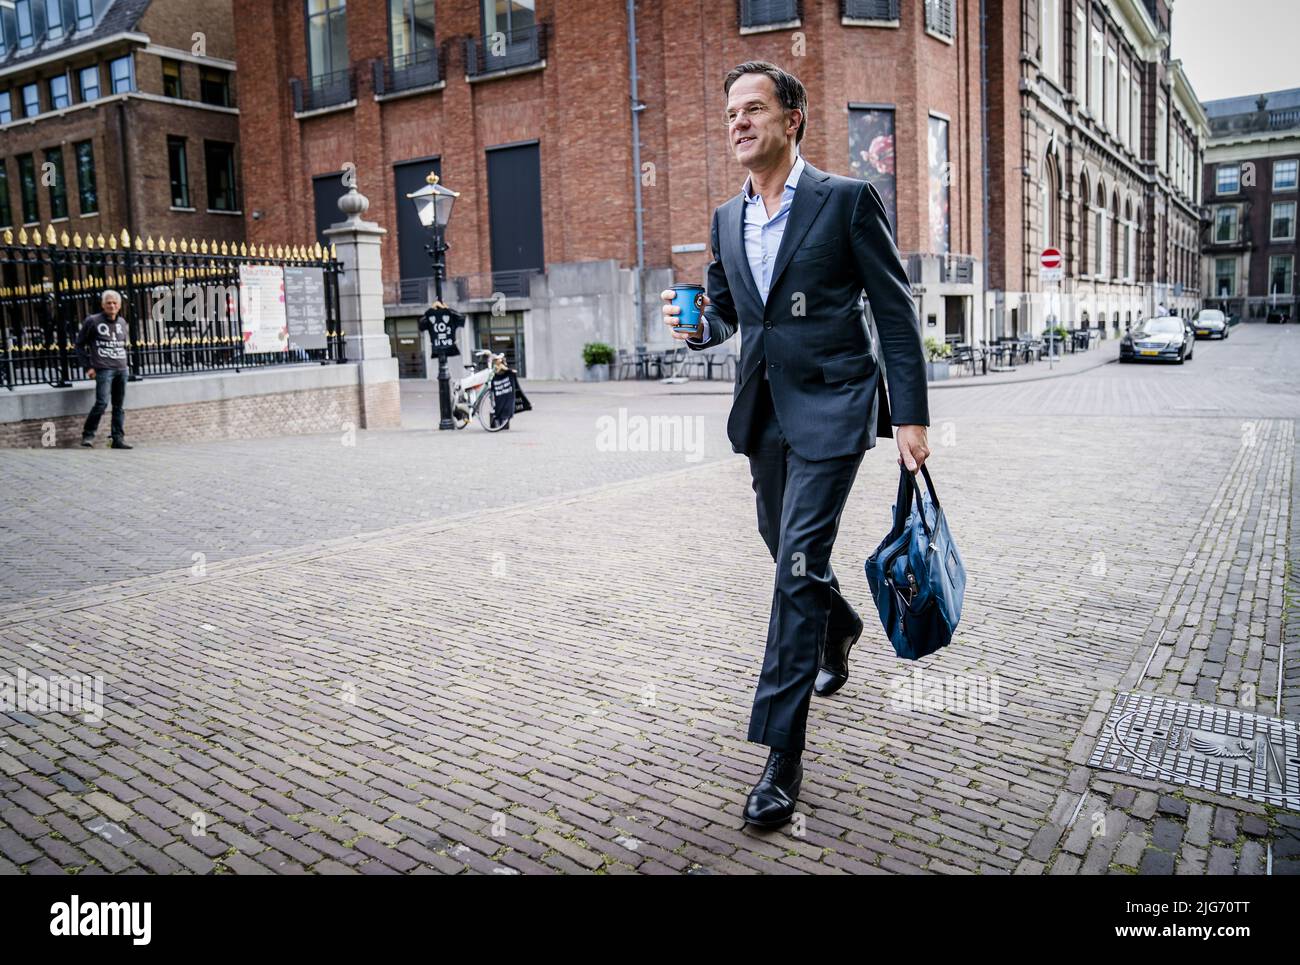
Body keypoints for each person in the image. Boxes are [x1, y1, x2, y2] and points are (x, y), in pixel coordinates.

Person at [660, 61, 929, 828]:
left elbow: (896, 312)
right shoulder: (724, 219)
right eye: (730, 113)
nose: (739, 122)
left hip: (836, 410)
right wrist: (698, 327)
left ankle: (780, 754)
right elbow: (726, 313)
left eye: (754, 109)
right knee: (783, 547)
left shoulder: (845, 202)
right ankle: (839, 622)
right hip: (766, 416)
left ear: (793, 119)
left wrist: (909, 415)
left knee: (791, 572)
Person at [75, 290, 133, 449]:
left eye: (115, 303)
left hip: (121, 369)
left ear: (119, 305)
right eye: (108, 302)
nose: (112, 305)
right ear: (103, 304)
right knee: (101, 403)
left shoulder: (122, 322)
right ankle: (88, 435)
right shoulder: (92, 321)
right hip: (103, 369)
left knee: (119, 406)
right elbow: (79, 345)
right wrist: (88, 367)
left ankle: (117, 439)